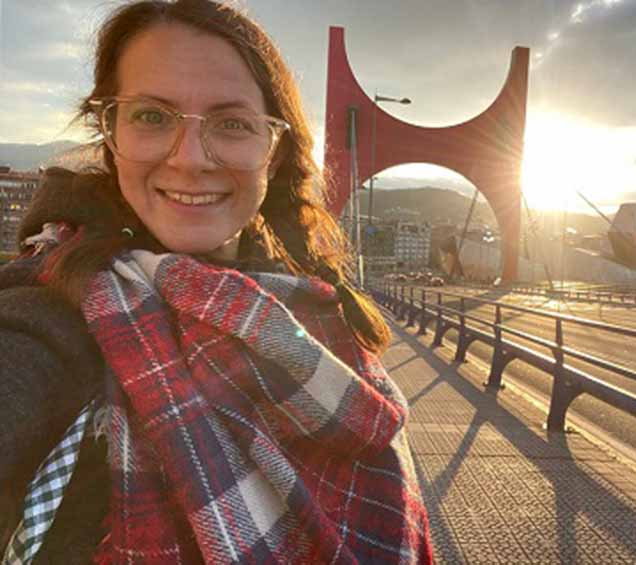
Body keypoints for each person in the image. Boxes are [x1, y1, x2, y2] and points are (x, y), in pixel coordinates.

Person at [0, 1, 432, 563]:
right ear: (110, 135)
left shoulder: (325, 324)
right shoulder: (49, 317)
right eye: (152, 116)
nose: (190, 159)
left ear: (273, 155)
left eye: (232, 123)